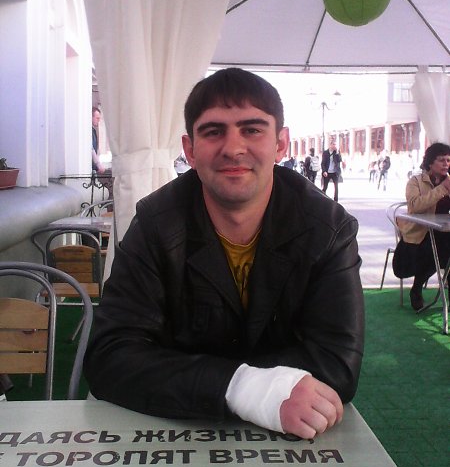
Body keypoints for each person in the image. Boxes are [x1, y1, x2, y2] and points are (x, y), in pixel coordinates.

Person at [84, 68, 364, 440]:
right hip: (173, 438)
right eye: (214, 131)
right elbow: (110, 357)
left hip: (282, 443)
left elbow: (337, 365)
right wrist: (244, 388)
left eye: (252, 129)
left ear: (281, 144)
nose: (233, 148)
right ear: (189, 150)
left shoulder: (328, 228)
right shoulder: (156, 224)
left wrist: (199, 378)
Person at [393, 142, 450, 311]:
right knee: (438, 250)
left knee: (444, 246)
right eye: (441, 160)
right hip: (419, 234)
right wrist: (442, 189)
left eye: (448, 160)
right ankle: (417, 288)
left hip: (443, 232)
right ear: (430, 163)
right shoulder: (415, 181)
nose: (446, 164)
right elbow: (414, 206)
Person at [92, 106, 106, 174]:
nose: (98, 120)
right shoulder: (89, 131)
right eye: (97, 118)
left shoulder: (93, 131)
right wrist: (98, 164)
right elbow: (91, 149)